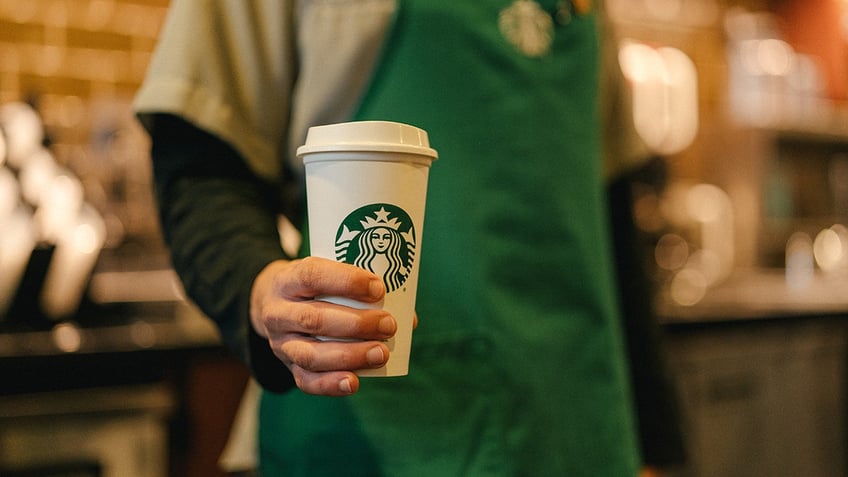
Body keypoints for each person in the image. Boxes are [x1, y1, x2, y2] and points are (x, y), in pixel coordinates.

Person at [135, 0, 644, 474]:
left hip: (582, 426)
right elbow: (200, 165)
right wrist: (259, 286)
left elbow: (613, 215)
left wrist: (656, 440)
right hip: (377, 435)